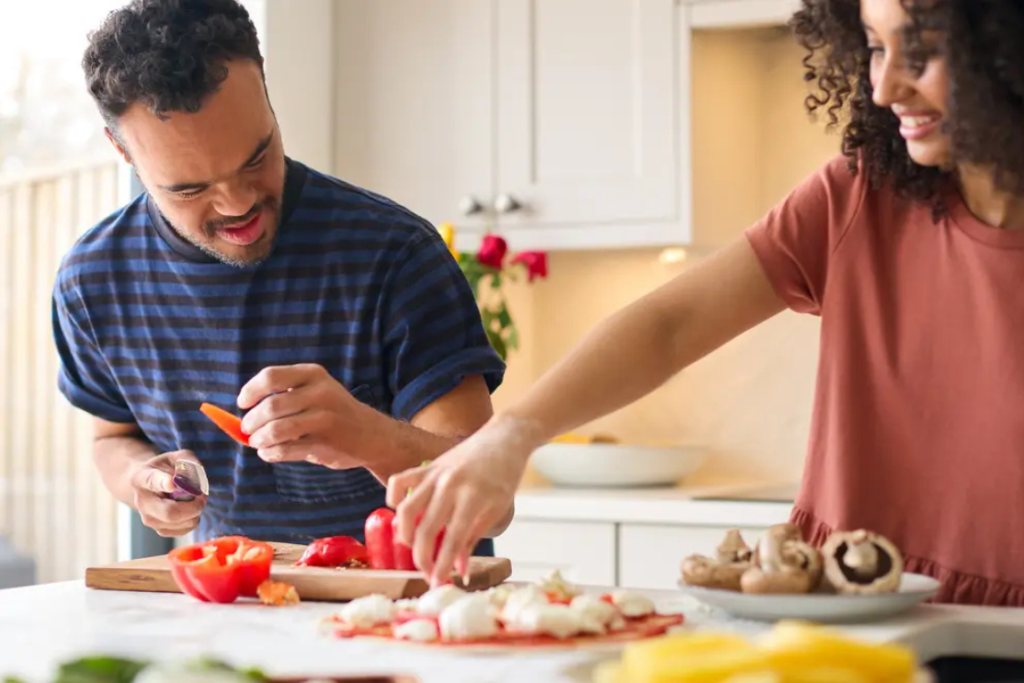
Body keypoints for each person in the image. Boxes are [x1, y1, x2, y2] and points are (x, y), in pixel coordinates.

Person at [387, 0, 1024, 606]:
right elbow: (670, 325)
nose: (885, 87)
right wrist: (511, 435)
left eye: (921, 54)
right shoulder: (859, 196)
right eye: (875, 47)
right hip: (844, 613)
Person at [52, 0, 509, 557]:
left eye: (256, 157)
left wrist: (368, 435)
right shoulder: (94, 280)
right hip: (233, 612)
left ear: (266, 90)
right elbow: (112, 438)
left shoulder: (396, 256)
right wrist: (142, 480)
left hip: (413, 617)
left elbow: (495, 501)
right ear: (121, 150)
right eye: (190, 189)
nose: (239, 203)